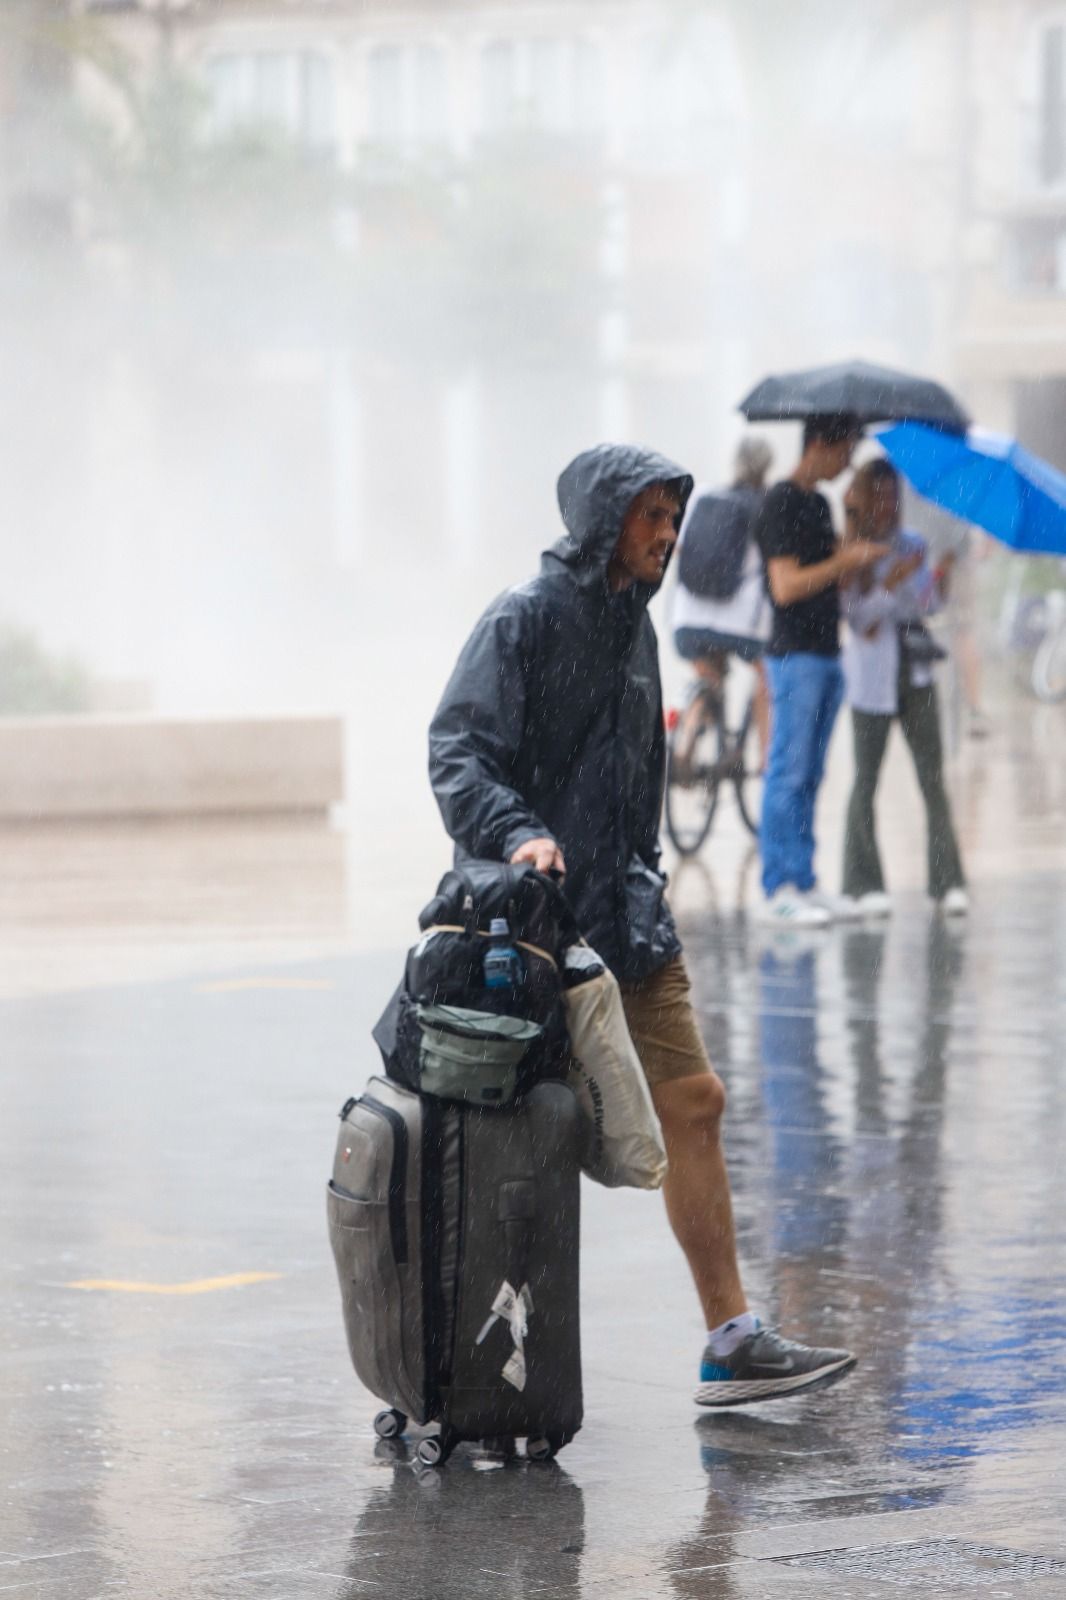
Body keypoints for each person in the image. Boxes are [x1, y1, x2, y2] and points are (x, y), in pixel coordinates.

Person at [429, 442, 856, 1406]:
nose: (666, 535)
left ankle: (732, 1341)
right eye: (649, 517)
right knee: (516, 1144)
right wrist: (521, 834)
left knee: (695, 1100)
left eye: (673, 517)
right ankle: (477, 1369)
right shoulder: (525, 618)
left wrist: (645, 871)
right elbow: (457, 751)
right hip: (530, 928)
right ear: (600, 519)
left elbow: (635, 773)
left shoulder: (637, 625)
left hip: (627, 916)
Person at [753, 415, 889, 926]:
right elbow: (786, 586)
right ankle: (777, 886)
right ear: (819, 444)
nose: (848, 460)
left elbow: (839, 563)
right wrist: (842, 561)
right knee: (787, 770)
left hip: (828, 653)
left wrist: (853, 519)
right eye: (846, 449)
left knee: (811, 772)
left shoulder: (818, 503)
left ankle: (805, 879)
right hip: (794, 656)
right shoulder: (780, 502)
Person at [840, 458, 968, 916]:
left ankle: (947, 881)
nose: (887, 504)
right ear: (864, 498)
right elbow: (856, 618)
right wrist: (889, 587)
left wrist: (940, 576)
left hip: (915, 675)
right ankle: (861, 884)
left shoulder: (913, 543)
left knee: (932, 779)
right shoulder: (852, 552)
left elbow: (925, 605)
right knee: (865, 780)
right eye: (878, 495)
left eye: (893, 495)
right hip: (871, 680)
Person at [672, 437, 774, 762]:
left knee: (708, 676)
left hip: (689, 619)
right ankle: (767, 758)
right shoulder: (769, 506)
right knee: (767, 672)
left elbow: (679, 547)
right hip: (741, 622)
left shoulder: (703, 496)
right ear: (766, 467)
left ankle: (687, 739)